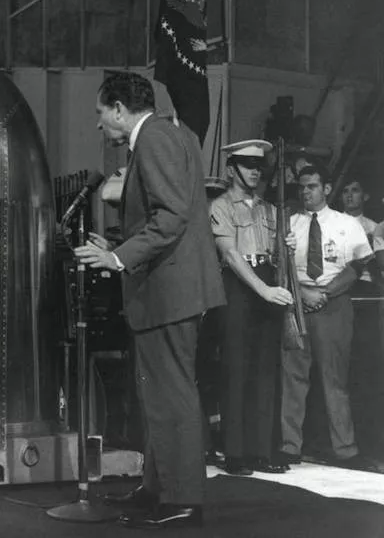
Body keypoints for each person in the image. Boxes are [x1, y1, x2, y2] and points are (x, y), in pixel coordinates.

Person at [74, 71, 225, 529]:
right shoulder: (172, 135)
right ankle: (159, 489)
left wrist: (117, 258)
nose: (100, 125)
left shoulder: (155, 139)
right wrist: (117, 247)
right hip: (171, 289)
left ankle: (182, 499)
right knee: (159, 394)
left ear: (120, 108)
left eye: (101, 114)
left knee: (171, 394)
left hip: (169, 291)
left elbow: (171, 216)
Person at [280, 164, 374, 470]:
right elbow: (282, 266)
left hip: (333, 305)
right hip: (297, 302)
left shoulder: (347, 224)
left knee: (335, 379)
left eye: (313, 186)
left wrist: (326, 293)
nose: (307, 192)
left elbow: (358, 266)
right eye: (303, 187)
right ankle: (289, 446)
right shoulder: (289, 223)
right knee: (293, 377)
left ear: (327, 189)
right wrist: (304, 293)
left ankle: (345, 449)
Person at [209, 140, 293, 476]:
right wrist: (263, 290)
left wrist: (287, 247)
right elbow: (230, 255)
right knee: (236, 369)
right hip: (240, 286)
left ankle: (261, 449)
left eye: (258, 166)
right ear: (232, 169)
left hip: (268, 280)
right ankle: (235, 452)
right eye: (247, 165)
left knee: (264, 369)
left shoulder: (269, 209)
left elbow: (276, 253)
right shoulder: (220, 206)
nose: (255, 171)